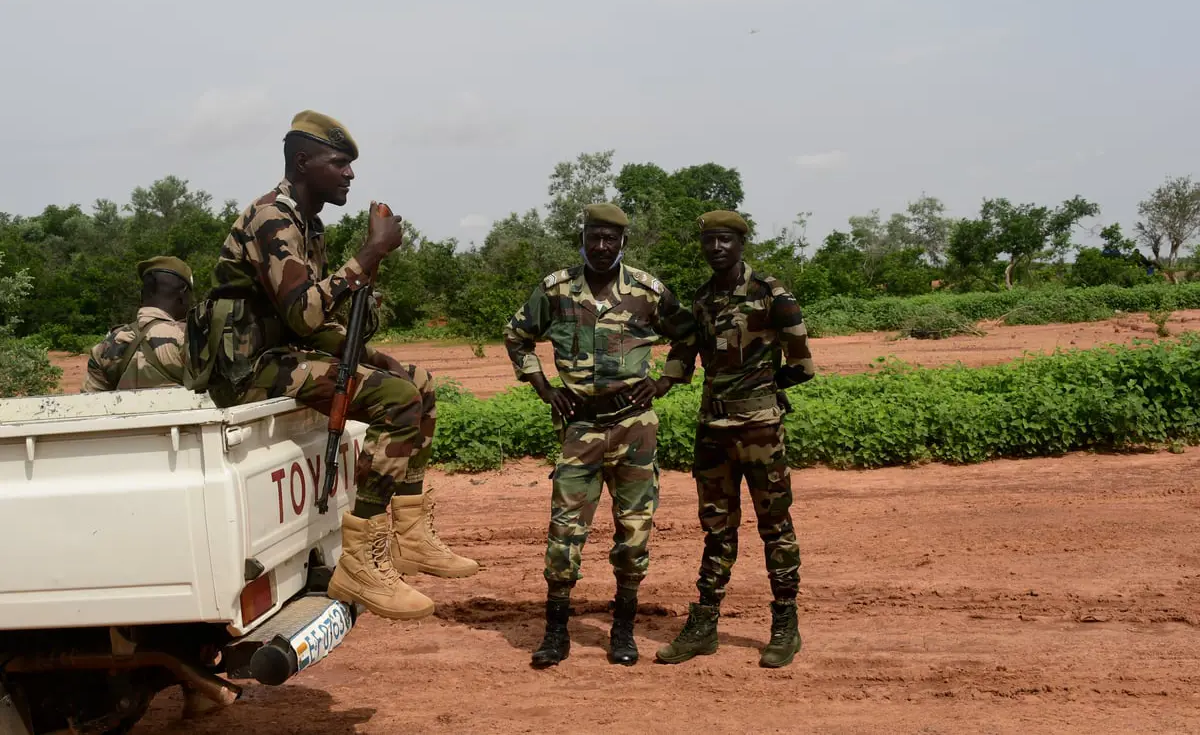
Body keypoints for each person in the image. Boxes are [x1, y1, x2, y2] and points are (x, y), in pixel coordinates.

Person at [194, 110, 476, 622]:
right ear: (303, 163)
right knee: (397, 400)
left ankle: (411, 537)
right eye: (339, 163)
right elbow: (304, 311)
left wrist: (368, 353)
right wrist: (369, 253)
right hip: (247, 369)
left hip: (281, 357)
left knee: (418, 382)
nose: (350, 174)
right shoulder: (271, 218)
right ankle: (361, 559)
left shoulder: (309, 224)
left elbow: (309, 323)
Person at [503, 203, 697, 668]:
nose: (602, 246)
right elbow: (517, 335)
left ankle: (623, 631)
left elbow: (688, 334)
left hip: (635, 426)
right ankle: (556, 634)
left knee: (634, 533)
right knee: (564, 533)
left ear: (623, 241)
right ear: (583, 238)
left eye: (611, 238)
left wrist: (666, 380)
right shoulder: (556, 290)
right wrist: (544, 388)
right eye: (595, 237)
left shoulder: (647, 292)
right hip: (581, 428)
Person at [655, 210, 815, 669]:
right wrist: (657, 382)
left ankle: (785, 625)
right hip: (712, 434)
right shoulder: (702, 299)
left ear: (742, 243)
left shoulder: (772, 294)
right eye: (710, 241)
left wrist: (764, 387)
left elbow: (803, 366)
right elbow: (684, 354)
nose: (717, 248)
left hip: (760, 431)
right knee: (716, 531)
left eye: (726, 240)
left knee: (775, 528)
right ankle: (704, 625)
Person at [82, 256, 192, 392]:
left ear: (142, 295)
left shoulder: (103, 348)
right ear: (183, 294)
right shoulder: (189, 339)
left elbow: (90, 403)